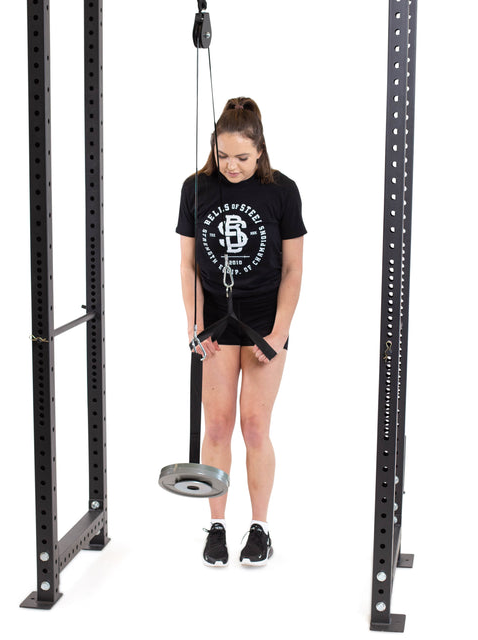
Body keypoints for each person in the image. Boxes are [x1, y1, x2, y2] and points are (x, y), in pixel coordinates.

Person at [176, 97, 306, 567]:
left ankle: (260, 528)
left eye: (243, 158)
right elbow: (189, 264)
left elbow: (292, 270)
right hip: (214, 321)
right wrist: (194, 324)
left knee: (254, 426)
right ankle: (216, 526)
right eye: (224, 154)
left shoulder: (282, 192)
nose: (232, 166)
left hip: (264, 323)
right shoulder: (195, 188)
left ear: (260, 150)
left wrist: (277, 332)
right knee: (216, 425)